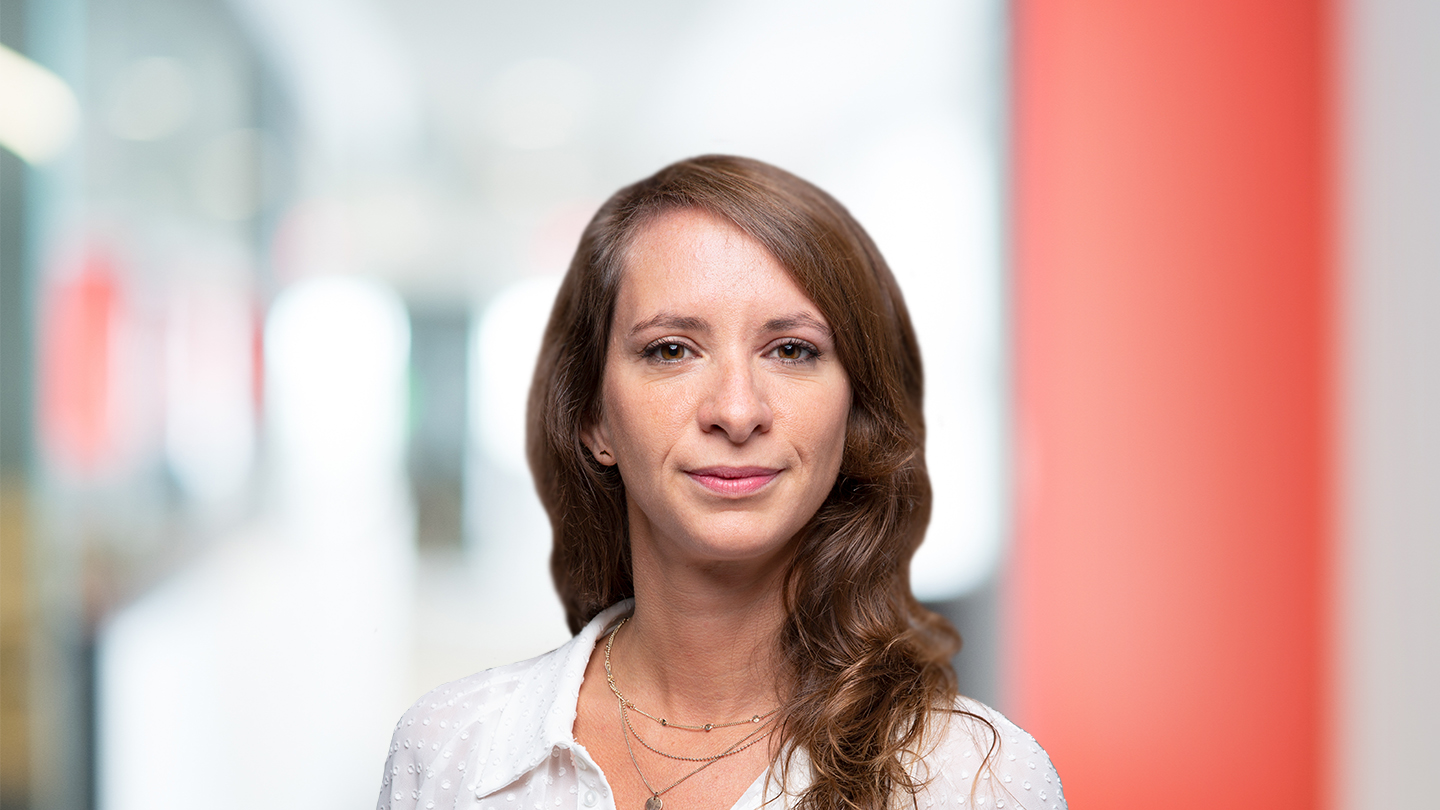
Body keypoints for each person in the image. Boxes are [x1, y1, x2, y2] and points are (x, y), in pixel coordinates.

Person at [377, 155, 1065, 810]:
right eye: (671, 350)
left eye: (791, 350)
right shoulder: (449, 753)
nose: (737, 412)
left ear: (854, 412)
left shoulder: (978, 781)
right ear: (593, 418)